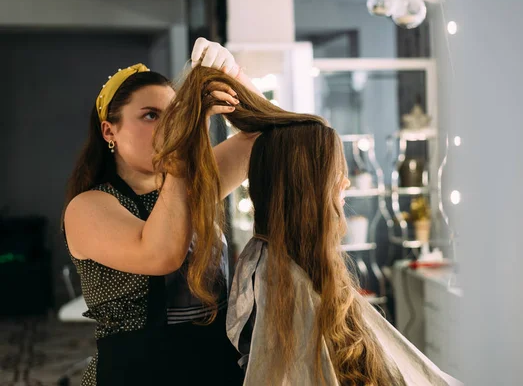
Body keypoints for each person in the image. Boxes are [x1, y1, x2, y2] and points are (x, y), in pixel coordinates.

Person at [159, 65, 463, 385]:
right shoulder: (283, 279)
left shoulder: (280, 261)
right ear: (306, 186)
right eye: (334, 172)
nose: (345, 181)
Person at [61, 39, 259, 385]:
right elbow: (162, 255)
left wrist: (234, 78)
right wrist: (183, 150)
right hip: (137, 372)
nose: (168, 127)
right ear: (110, 130)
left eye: (174, 116)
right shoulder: (88, 207)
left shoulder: (191, 183)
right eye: (151, 116)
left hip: (215, 366)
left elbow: (261, 135)